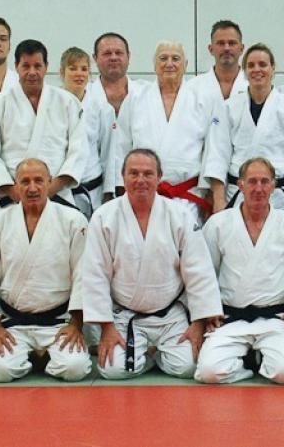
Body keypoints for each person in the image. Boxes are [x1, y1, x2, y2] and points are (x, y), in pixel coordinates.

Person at [83, 149, 223, 379]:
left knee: (188, 367)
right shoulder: (103, 217)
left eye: (148, 174)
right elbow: (94, 274)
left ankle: (153, 355)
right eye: (133, 173)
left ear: (159, 177)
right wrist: (107, 327)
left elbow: (198, 270)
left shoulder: (179, 215)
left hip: (170, 315)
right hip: (125, 315)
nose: (141, 180)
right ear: (123, 177)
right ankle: (146, 357)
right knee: (113, 370)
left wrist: (198, 323)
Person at [0, 159, 91, 382]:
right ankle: (36, 357)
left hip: (59, 322)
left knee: (74, 369)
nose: (32, 188)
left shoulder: (73, 220)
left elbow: (83, 275)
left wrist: (76, 323)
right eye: (25, 182)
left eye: (39, 180)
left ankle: (40, 358)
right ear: (15, 185)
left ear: (49, 182)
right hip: (13, 323)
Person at [195, 158, 284, 384]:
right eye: (252, 181)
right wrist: (207, 312)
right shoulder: (218, 223)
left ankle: (259, 359)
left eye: (265, 182)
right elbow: (204, 274)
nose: (258, 188)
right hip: (230, 318)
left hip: (275, 319)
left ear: (274, 186)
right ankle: (247, 366)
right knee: (208, 372)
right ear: (240, 185)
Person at [204, 44, 284, 221]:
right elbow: (217, 155)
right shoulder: (229, 107)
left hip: (278, 196)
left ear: (273, 68)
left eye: (263, 64)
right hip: (238, 194)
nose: (257, 70)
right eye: (251, 65)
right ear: (244, 71)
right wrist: (218, 198)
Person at [113, 40, 214, 224]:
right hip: (142, 192)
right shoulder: (136, 98)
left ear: (185, 65)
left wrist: (209, 190)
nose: (169, 63)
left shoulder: (201, 99)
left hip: (187, 196)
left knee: (185, 241)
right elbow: (121, 146)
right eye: (163, 58)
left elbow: (211, 149)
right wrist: (121, 187)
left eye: (175, 58)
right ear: (154, 65)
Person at [0, 39, 86, 209]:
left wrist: (51, 187)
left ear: (46, 67)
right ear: (16, 66)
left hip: (58, 195)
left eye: (37, 66)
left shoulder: (67, 102)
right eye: (26, 66)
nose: (32, 72)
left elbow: (79, 149)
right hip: (14, 197)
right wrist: (13, 190)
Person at [60, 47, 113, 217]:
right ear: (62, 72)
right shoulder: (51, 104)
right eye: (73, 68)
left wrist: (109, 190)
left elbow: (108, 151)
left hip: (93, 186)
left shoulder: (101, 107)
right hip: (61, 189)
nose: (79, 74)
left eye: (84, 69)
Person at [187, 20, 248, 112]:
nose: (226, 48)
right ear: (211, 49)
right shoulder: (192, 88)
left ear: (241, 49)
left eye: (232, 43)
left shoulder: (253, 85)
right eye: (221, 43)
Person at [90, 32, 146, 116]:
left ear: (128, 56)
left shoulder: (146, 92)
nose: (113, 58)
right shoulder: (84, 94)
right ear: (95, 58)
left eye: (119, 53)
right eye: (107, 53)